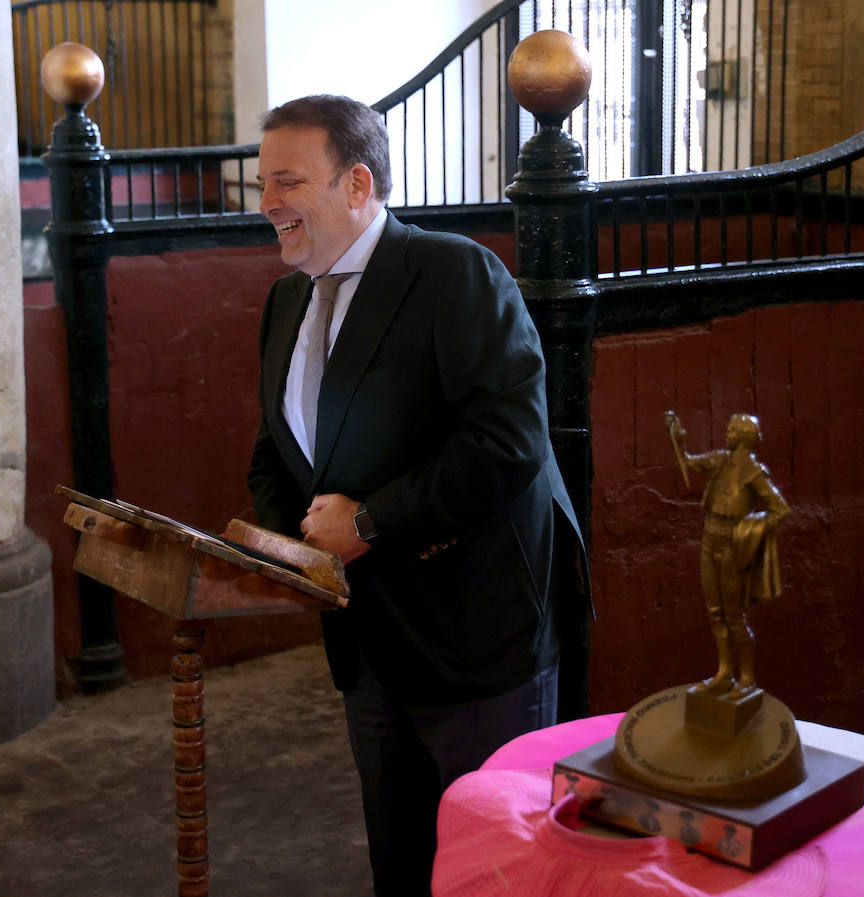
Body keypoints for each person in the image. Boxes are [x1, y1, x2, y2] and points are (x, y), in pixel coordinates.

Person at [247, 94, 590, 897]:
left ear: (357, 183)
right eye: (262, 183)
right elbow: (275, 447)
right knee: (398, 854)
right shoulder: (287, 298)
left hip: (474, 633)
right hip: (370, 639)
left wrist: (369, 521)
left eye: (287, 181)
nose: (266, 205)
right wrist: (286, 545)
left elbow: (508, 444)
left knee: (494, 861)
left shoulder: (453, 272)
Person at [664, 411, 787, 699]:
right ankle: (723, 673)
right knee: (714, 612)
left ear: (744, 435)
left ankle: (745, 678)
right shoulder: (720, 460)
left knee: (734, 616)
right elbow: (688, 462)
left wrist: (749, 530)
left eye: (733, 429)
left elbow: (779, 509)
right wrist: (678, 441)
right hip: (710, 538)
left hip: (733, 545)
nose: (727, 432)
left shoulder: (754, 472)